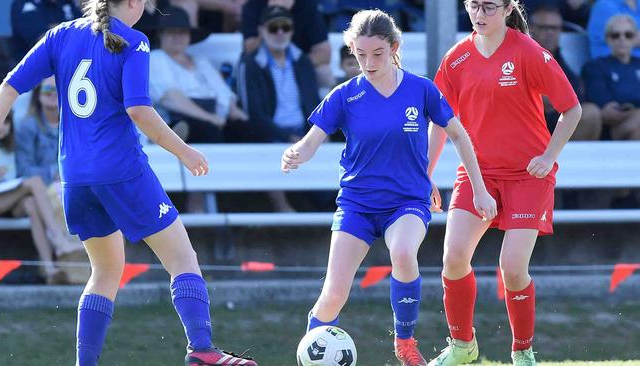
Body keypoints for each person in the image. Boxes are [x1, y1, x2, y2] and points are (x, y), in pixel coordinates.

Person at [0, 0, 257, 365]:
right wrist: (185, 152)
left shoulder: (60, 35)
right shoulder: (134, 41)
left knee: (104, 272)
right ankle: (202, 350)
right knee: (182, 259)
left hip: (76, 179)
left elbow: (6, 89)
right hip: (121, 171)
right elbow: (139, 110)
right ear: (134, 2)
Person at [281, 9, 496, 366]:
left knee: (402, 253)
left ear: (394, 47)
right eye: (360, 54)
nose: (368, 62)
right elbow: (311, 140)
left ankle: (405, 343)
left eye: (377, 54)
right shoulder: (344, 95)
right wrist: (296, 154)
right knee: (332, 294)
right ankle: (312, 357)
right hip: (357, 205)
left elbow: (458, 135)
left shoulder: (421, 89)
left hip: (407, 202)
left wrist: (479, 189)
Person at [429, 1, 582, 365]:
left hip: (528, 176)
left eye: (490, 6)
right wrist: (425, 175)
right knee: (453, 258)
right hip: (476, 174)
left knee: (513, 269)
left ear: (509, 6)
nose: (480, 14)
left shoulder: (529, 52)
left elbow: (571, 108)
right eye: (473, 6)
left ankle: (522, 351)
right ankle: (462, 347)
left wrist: (548, 156)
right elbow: (439, 120)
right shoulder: (456, 58)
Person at [239, 4, 320, 212]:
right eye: (273, 28)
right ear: (261, 31)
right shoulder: (250, 64)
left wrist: (316, 132)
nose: (280, 32)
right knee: (264, 141)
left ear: (293, 29)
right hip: (270, 133)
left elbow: (314, 103)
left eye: (285, 27)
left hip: (303, 131)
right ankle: (282, 205)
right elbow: (255, 115)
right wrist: (288, 137)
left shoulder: (303, 61)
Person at [0, 109, 76, 284]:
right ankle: (59, 241)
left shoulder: (11, 147)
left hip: (11, 199)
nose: (2, 127)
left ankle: (49, 269)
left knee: (31, 204)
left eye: (6, 122)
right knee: (35, 182)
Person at [149, 5, 248, 144]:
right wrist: (209, 118)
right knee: (207, 131)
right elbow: (170, 98)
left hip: (214, 117)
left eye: (182, 32)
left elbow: (222, 91)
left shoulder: (201, 62)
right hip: (179, 119)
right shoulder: (156, 58)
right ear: (161, 35)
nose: (177, 37)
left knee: (245, 129)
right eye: (172, 32)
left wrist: (237, 114)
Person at [529, 5, 602, 140]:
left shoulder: (556, 56)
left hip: (556, 121)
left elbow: (576, 93)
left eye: (555, 28)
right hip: (527, 123)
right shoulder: (519, 53)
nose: (550, 33)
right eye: (544, 28)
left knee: (591, 113)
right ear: (531, 29)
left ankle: (565, 160)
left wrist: (552, 100)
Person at [582, 14, 640, 141]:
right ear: (607, 38)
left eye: (628, 35)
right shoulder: (594, 67)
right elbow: (609, 114)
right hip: (609, 132)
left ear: (635, 38)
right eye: (615, 35)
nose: (622, 39)